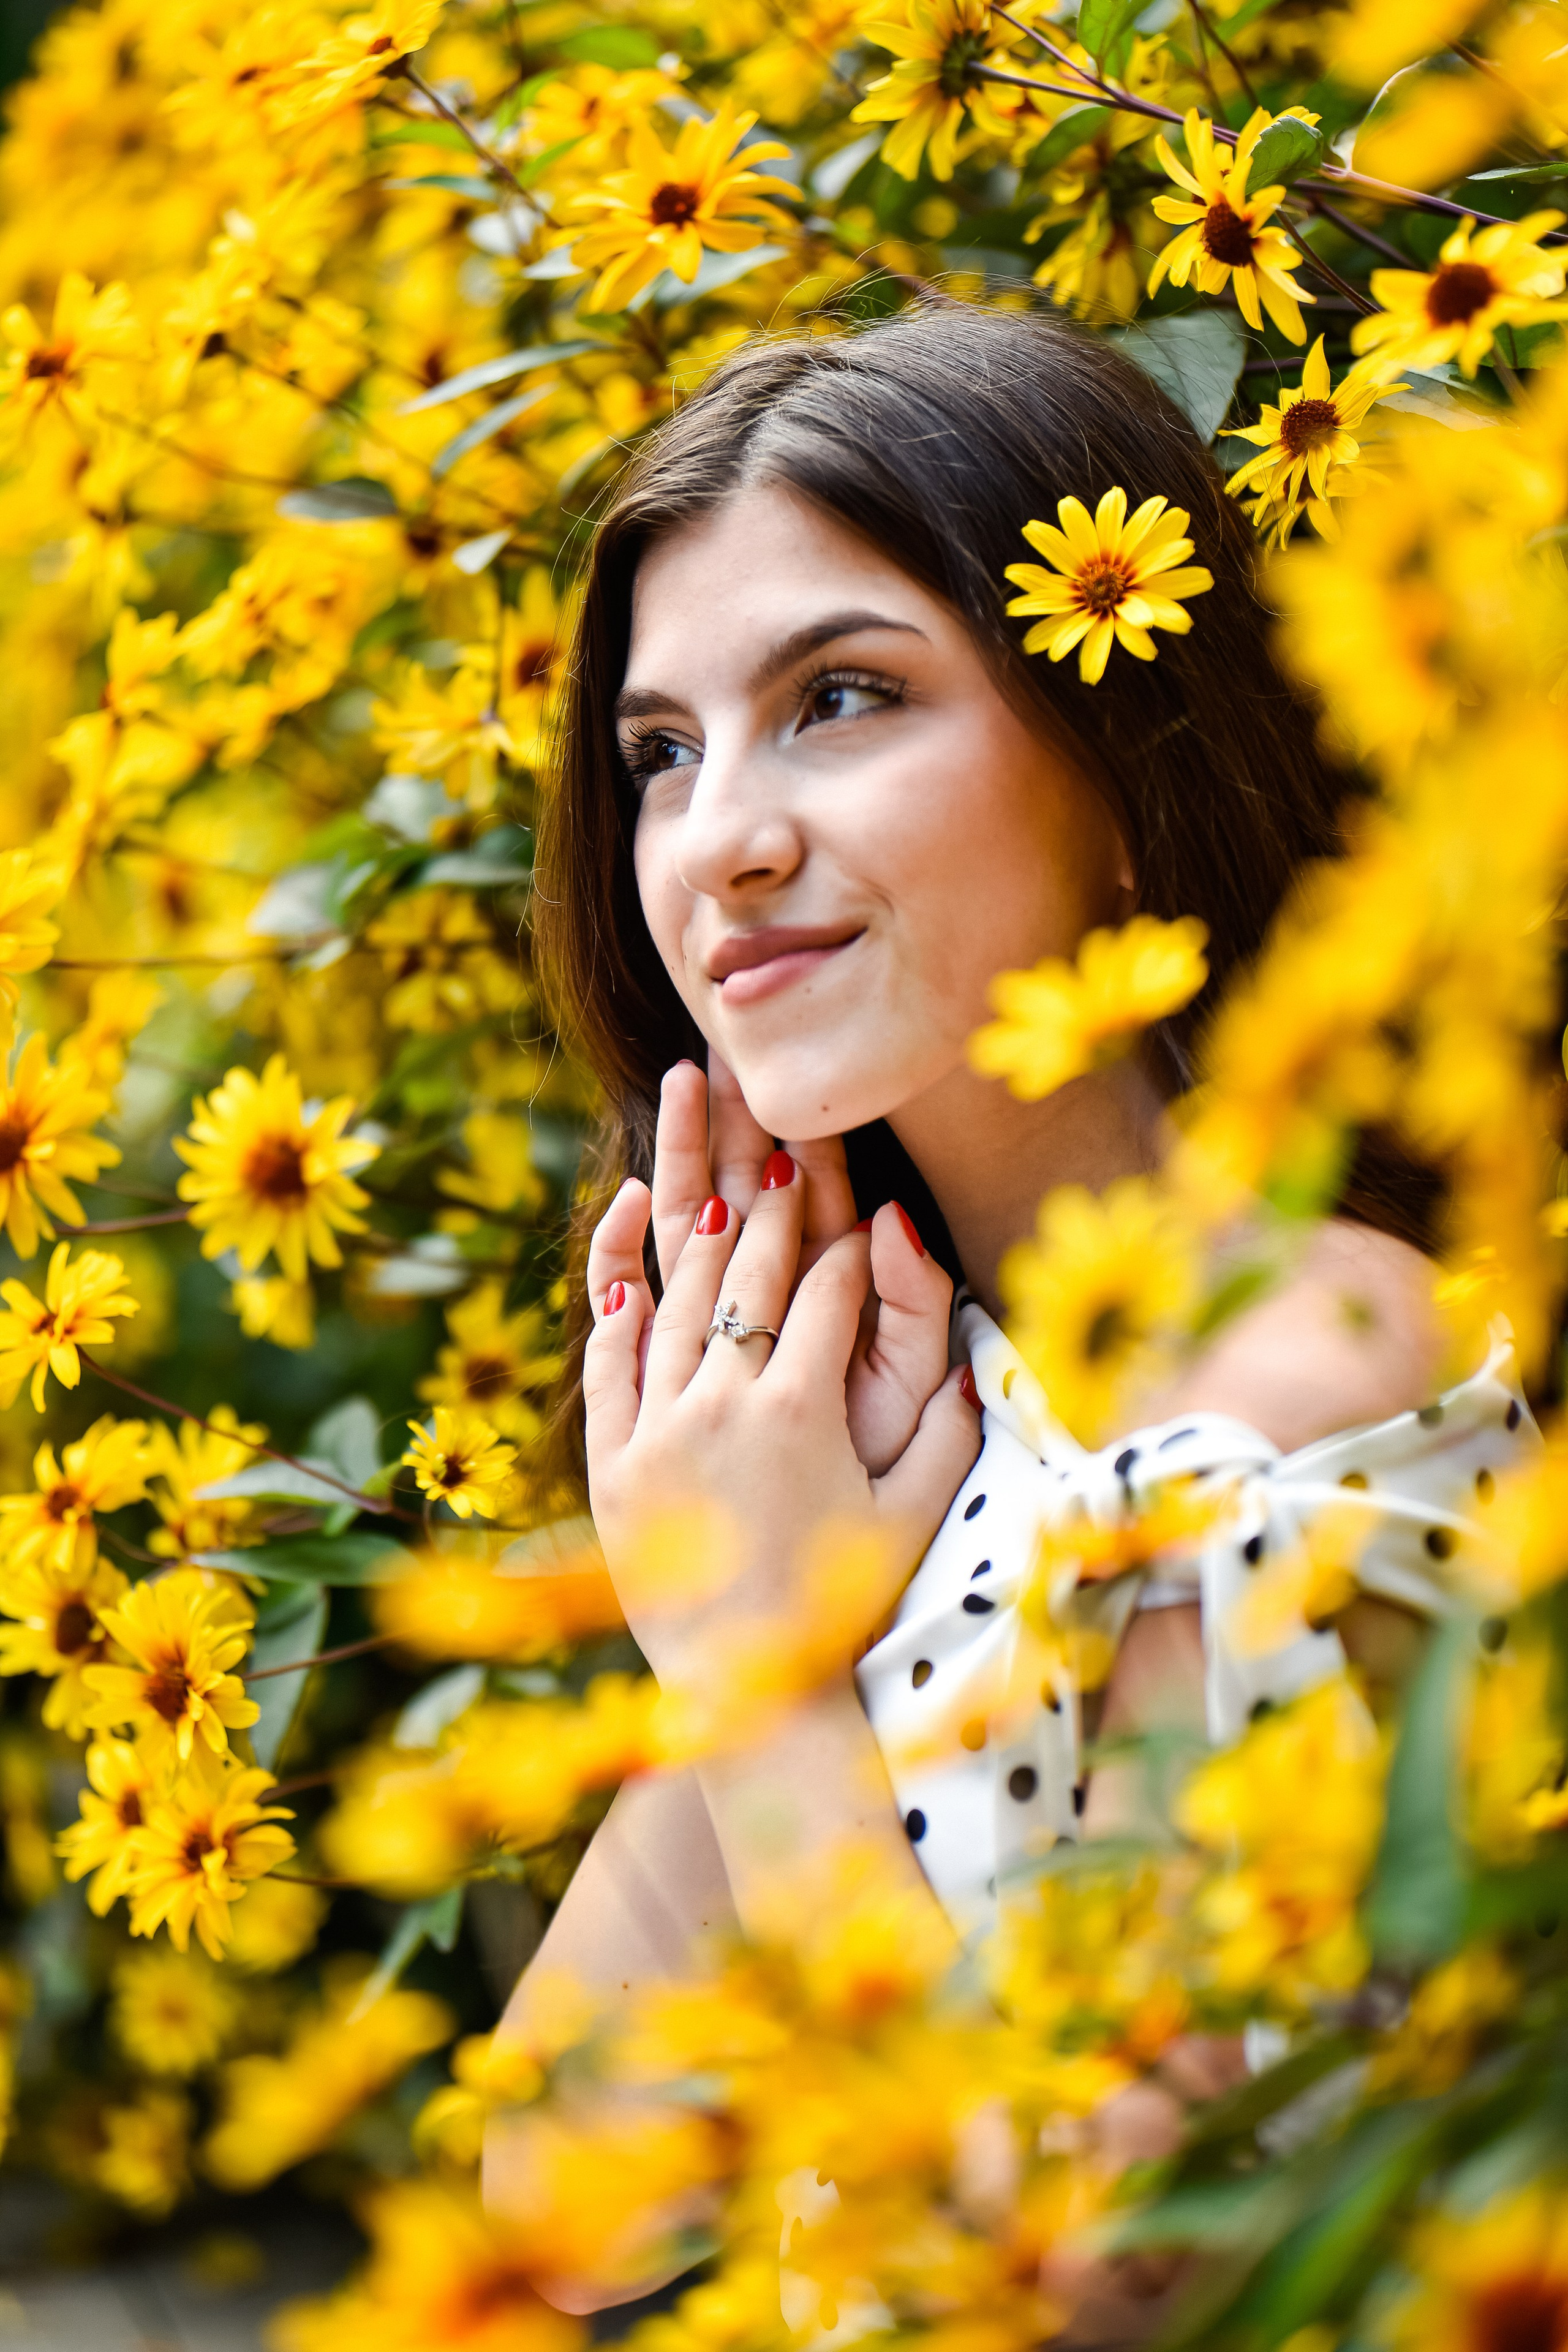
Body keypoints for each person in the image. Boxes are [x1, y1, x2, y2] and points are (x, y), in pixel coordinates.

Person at [484, 301, 1530, 2315]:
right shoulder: (889, 1411)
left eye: (845, 698)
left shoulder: (1300, 1372)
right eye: (659, 754)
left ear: (1131, 758)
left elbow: (1084, 2298)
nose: (722, 842)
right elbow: (551, 2217)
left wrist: (765, 1678)